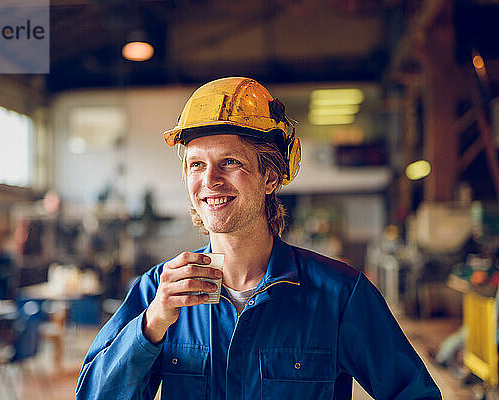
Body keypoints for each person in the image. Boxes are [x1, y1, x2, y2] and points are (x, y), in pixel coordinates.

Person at [76, 77, 441, 399]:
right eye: (196, 164)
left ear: (270, 178)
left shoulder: (339, 295)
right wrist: (153, 323)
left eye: (230, 162)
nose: (210, 180)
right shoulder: (159, 291)